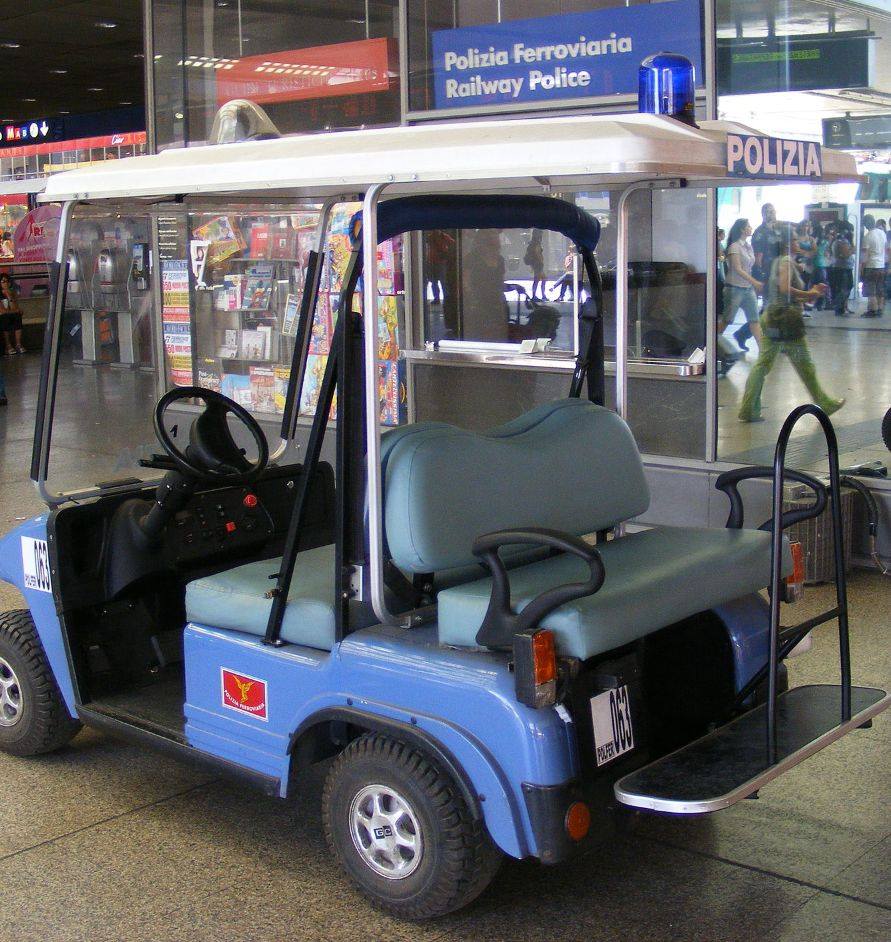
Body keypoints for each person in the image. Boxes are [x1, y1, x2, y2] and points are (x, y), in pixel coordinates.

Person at [739, 223, 844, 423]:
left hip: (772, 317)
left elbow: (783, 290)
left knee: (763, 364)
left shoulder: (780, 260)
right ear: (787, 243)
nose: (798, 242)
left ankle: (748, 408)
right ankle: (826, 403)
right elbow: (785, 288)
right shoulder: (787, 261)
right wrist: (810, 293)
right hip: (786, 321)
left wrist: (810, 293)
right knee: (805, 365)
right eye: (795, 239)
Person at [723, 218, 763, 351]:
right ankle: (710, 345)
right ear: (742, 229)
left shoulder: (748, 246)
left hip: (747, 288)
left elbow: (750, 266)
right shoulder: (734, 247)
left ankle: (763, 350)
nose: (750, 228)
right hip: (734, 288)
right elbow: (737, 269)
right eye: (748, 226)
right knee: (727, 320)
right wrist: (755, 282)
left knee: (754, 319)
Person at [860, 214, 886, 318]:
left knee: (871, 290)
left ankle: (872, 310)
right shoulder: (882, 233)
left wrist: (861, 268)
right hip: (881, 266)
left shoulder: (867, 236)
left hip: (871, 266)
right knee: (879, 289)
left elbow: (865, 255)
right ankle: (880, 309)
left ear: (866, 224)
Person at [828, 222, 855, 317]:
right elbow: (845, 254)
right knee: (843, 288)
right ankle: (839, 308)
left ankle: (844, 307)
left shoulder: (843, 240)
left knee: (848, 287)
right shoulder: (840, 241)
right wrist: (852, 248)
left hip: (846, 267)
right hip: (841, 268)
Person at [751, 203, 781, 285]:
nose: (772, 214)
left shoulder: (778, 229)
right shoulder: (760, 232)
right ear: (763, 214)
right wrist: (761, 275)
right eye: (769, 212)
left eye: (773, 211)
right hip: (767, 271)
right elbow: (758, 257)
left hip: (780, 269)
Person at [0, 273, 25, 355]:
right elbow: (2, 311)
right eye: (3, 282)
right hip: (3, 316)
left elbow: (14, 307)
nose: (6, 284)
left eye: (7, 282)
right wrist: (15, 311)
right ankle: (8, 346)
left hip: (10, 314)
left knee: (17, 316)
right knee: (4, 318)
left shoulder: (12, 293)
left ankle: (18, 344)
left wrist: (8, 295)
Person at [524, 229, 546, 300]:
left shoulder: (532, 243)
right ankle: (536, 296)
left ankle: (539, 295)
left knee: (542, 279)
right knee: (538, 279)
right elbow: (537, 253)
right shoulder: (536, 243)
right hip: (538, 264)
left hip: (535, 264)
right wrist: (541, 261)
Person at [812, 222, 830, 309]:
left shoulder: (813, 240)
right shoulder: (825, 242)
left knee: (813, 285)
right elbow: (827, 254)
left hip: (813, 265)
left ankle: (814, 302)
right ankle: (821, 303)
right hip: (822, 264)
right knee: (822, 285)